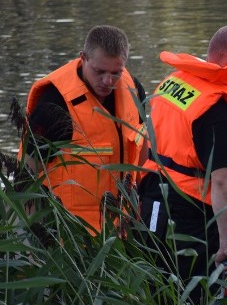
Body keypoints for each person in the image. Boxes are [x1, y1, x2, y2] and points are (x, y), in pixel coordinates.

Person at [138, 25, 227, 304]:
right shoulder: (218, 109)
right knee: (192, 299)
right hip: (189, 216)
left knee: (157, 288)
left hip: (155, 199)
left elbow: (148, 139)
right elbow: (223, 180)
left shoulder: (177, 82)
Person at [18, 25, 146, 233]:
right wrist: (33, 236)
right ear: (83, 58)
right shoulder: (55, 105)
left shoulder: (133, 90)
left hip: (120, 231)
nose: (107, 81)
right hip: (68, 235)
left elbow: (142, 148)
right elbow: (27, 175)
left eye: (116, 73)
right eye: (99, 71)